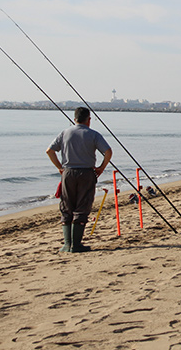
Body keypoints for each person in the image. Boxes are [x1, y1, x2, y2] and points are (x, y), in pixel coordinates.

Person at [46, 107, 112, 253]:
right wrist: (101, 168)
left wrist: (60, 167)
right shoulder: (93, 134)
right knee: (82, 206)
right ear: (89, 120)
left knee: (66, 205)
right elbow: (108, 152)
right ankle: (76, 244)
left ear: (74, 119)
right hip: (87, 173)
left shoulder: (65, 133)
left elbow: (49, 151)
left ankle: (67, 244)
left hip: (68, 172)